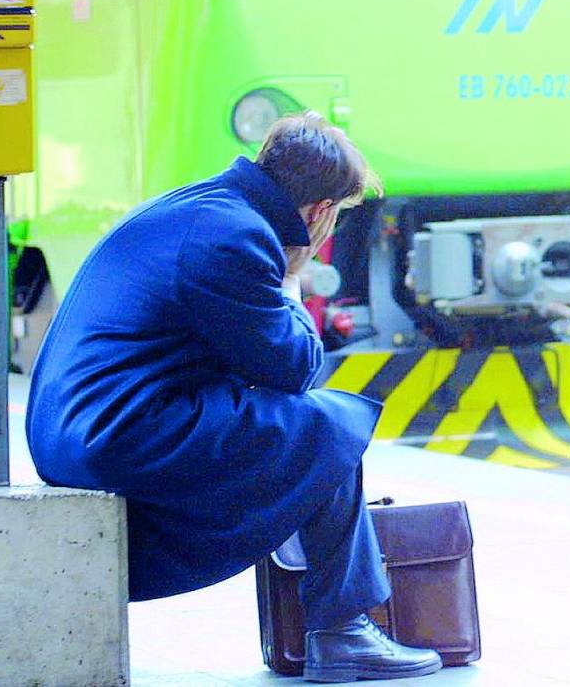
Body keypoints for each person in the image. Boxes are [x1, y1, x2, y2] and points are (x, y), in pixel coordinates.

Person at [26, 113, 442, 682]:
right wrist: (291, 280)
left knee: (302, 429)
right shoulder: (236, 237)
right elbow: (293, 369)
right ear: (320, 210)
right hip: (117, 433)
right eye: (337, 217)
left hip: (88, 426)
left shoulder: (203, 208)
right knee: (329, 423)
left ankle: (340, 623)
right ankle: (342, 631)